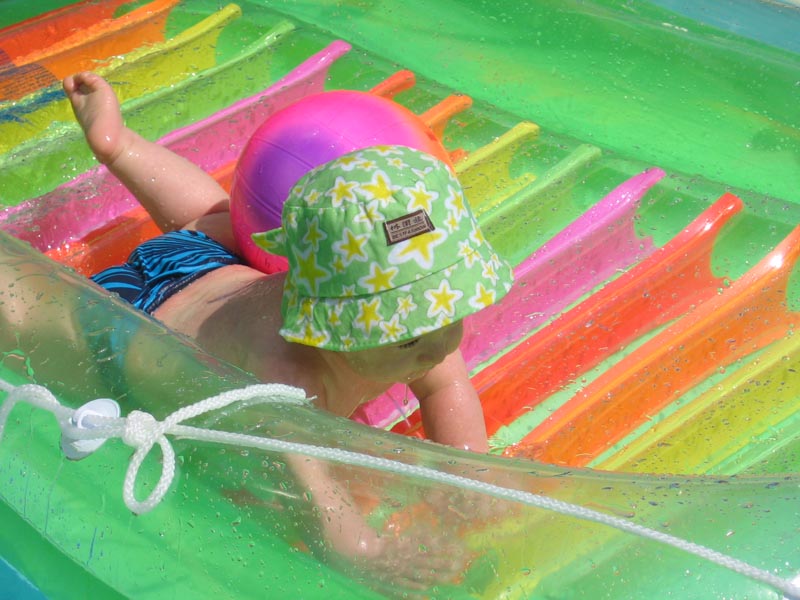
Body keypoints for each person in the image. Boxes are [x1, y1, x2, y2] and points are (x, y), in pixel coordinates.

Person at [63, 71, 514, 585]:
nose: (437, 348)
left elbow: (446, 385)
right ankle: (117, 150)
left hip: (206, 261)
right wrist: (370, 554)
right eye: (409, 337)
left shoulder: (417, 320)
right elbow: (318, 506)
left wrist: (467, 472)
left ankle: (120, 145)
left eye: (449, 315)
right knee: (55, 331)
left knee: (217, 218)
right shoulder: (287, 379)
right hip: (130, 320)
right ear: (335, 329)